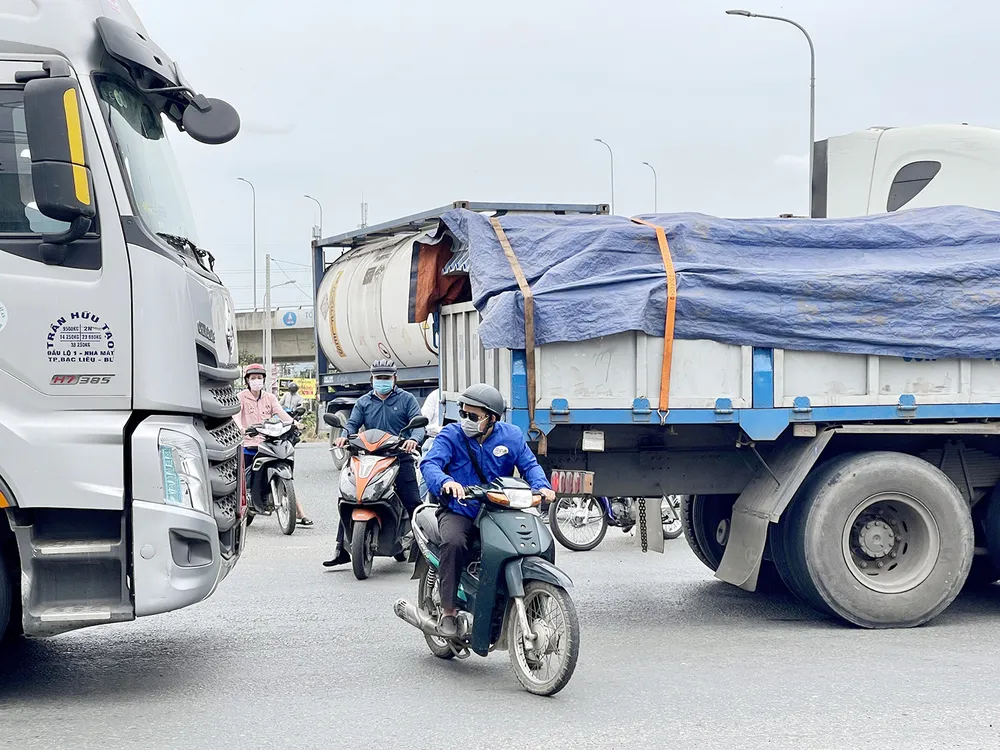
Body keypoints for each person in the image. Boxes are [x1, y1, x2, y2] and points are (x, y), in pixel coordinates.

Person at [419, 383, 556, 638]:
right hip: (461, 510)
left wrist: (542, 487)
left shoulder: (511, 436)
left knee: (534, 543)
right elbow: (430, 464)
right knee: (454, 543)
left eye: (473, 416)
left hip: (499, 511)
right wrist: (447, 482)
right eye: (463, 414)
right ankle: (448, 611)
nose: (466, 421)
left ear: (491, 418)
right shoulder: (451, 435)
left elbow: (530, 465)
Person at [323, 359, 424, 566]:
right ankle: (340, 549)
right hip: (369, 457)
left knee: (413, 501)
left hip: (398, 457)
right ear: (372, 379)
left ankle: (424, 549)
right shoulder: (364, 402)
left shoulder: (407, 400)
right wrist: (344, 436)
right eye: (379, 378)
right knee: (351, 496)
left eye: (387, 377)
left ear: (395, 378)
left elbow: (418, 424)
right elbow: (352, 424)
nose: (382, 381)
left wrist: (413, 440)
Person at [235, 363, 313, 526]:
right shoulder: (241, 397)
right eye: (253, 378)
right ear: (247, 380)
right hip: (248, 444)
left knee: (285, 473)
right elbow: (235, 416)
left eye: (259, 378)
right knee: (239, 479)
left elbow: (281, 413)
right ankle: (236, 510)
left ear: (264, 380)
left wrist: (294, 423)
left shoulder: (270, 398)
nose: (256, 381)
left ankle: (299, 513)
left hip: (267, 442)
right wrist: (242, 429)